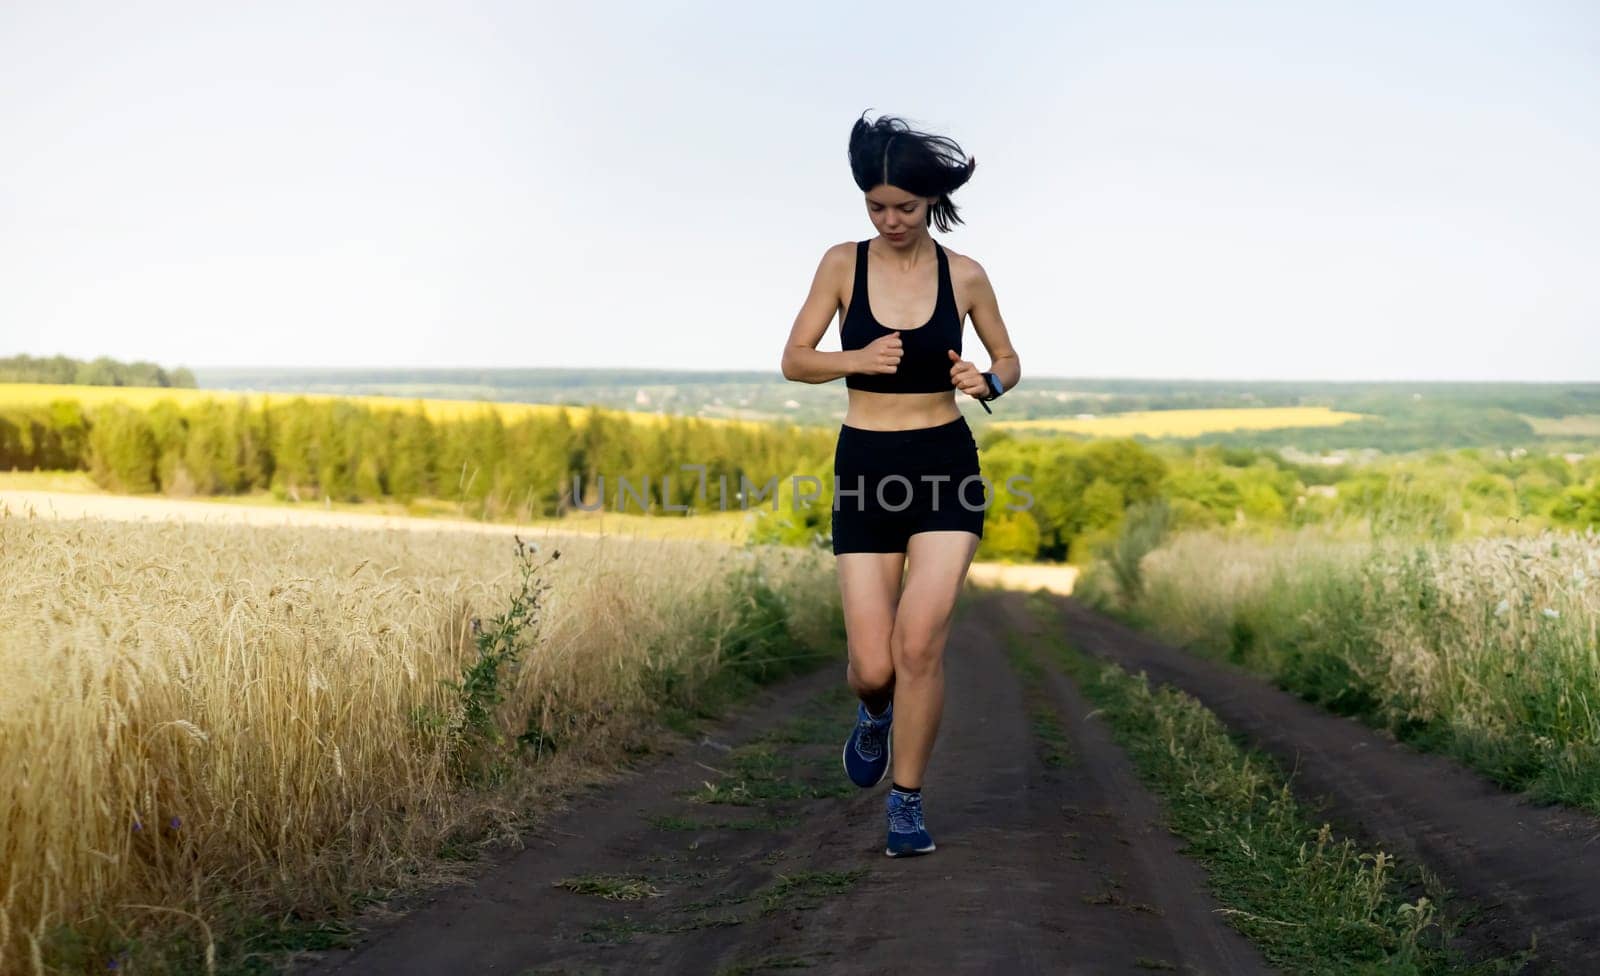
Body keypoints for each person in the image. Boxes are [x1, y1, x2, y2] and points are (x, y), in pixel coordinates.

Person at [779, 111, 1021, 857]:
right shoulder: (839, 265)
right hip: (865, 470)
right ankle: (874, 712)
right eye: (876, 206)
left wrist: (988, 381)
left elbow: (1009, 359)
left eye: (904, 208)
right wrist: (854, 360)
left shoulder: (967, 275)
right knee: (874, 665)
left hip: (945, 465)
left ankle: (907, 804)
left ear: (930, 203)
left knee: (920, 645)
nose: (889, 220)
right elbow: (794, 357)